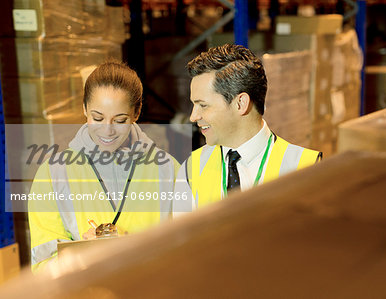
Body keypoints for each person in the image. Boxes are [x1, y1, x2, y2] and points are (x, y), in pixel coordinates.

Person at [28, 61, 179, 272]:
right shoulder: (53, 174)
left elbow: (187, 249)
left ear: (136, 113)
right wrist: (81, 254)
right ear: (84, 109)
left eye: (120, 120)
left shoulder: (168, 170)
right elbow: (42, 267)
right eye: (97, 118)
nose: (107, 131)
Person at [173, 44, 321, 214]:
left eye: (203, 105)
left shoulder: (305, 168)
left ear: (240, 103)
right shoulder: (190, 169)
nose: (193, 117)